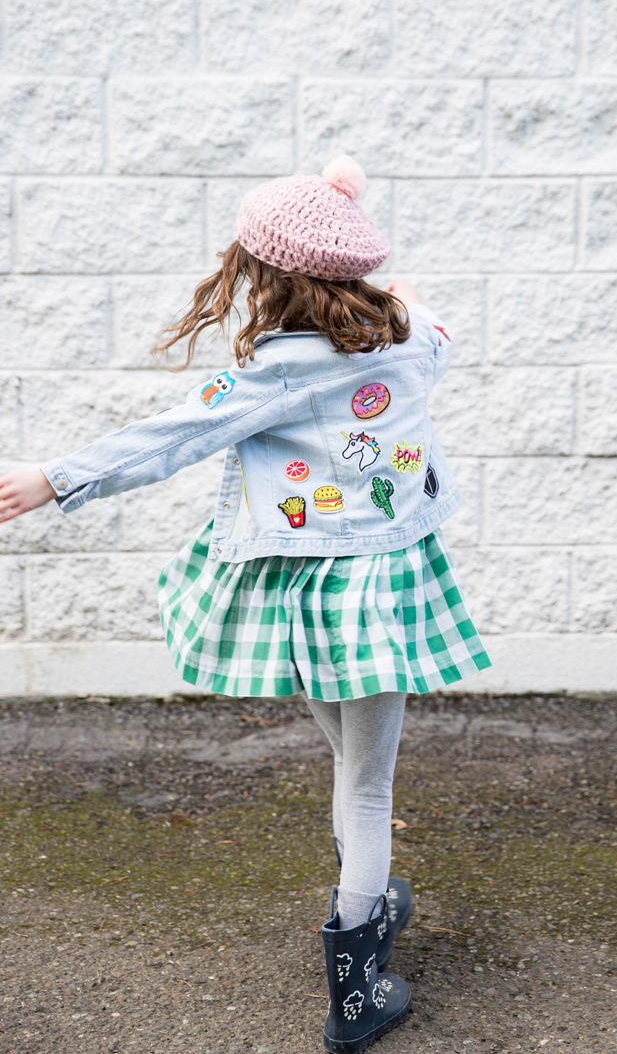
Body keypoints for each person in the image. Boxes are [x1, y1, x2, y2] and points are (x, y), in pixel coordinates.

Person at [0, 155, 492, 1053]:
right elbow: (437, 325)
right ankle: (360, 960)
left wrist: (55, 479)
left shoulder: (281, 370)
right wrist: (409, 297)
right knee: (365, 775)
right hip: (383, 592)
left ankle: (360, 961)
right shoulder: (413, 336)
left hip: (308, 597)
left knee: (355, 768)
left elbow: (173, 434)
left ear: (266, 274)